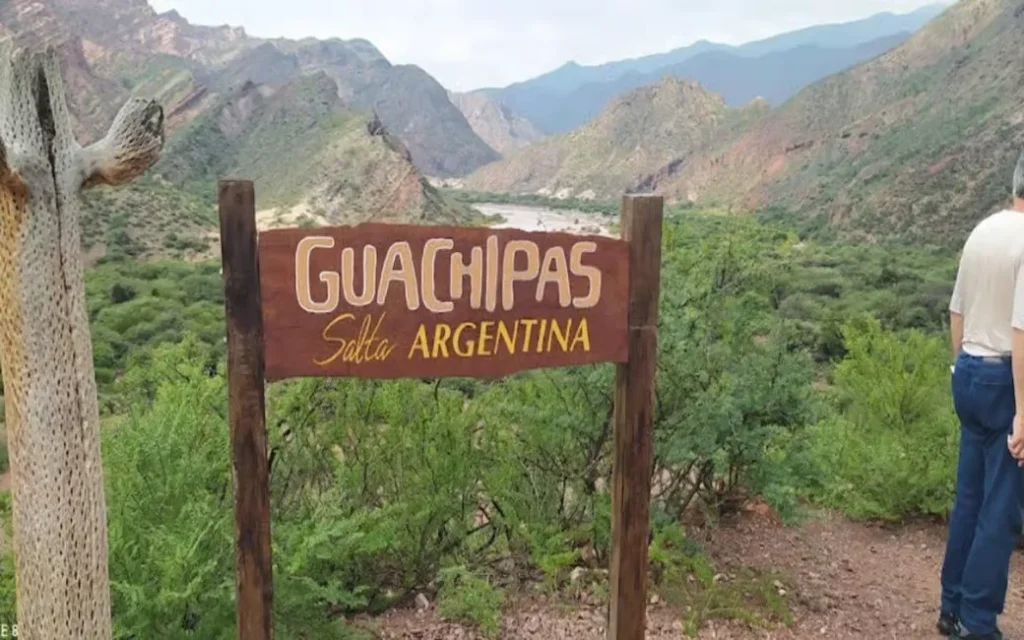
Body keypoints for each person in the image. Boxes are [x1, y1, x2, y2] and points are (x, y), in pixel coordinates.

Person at [940, 150, 1024, 640]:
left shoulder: (982, 230)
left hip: (968, 368)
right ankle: (977, 621)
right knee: (1002, 508)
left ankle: (951, 608)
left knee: (969, 497)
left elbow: (956, 309)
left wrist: (959, 366)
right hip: (1004, 382)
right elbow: (1021, 331)